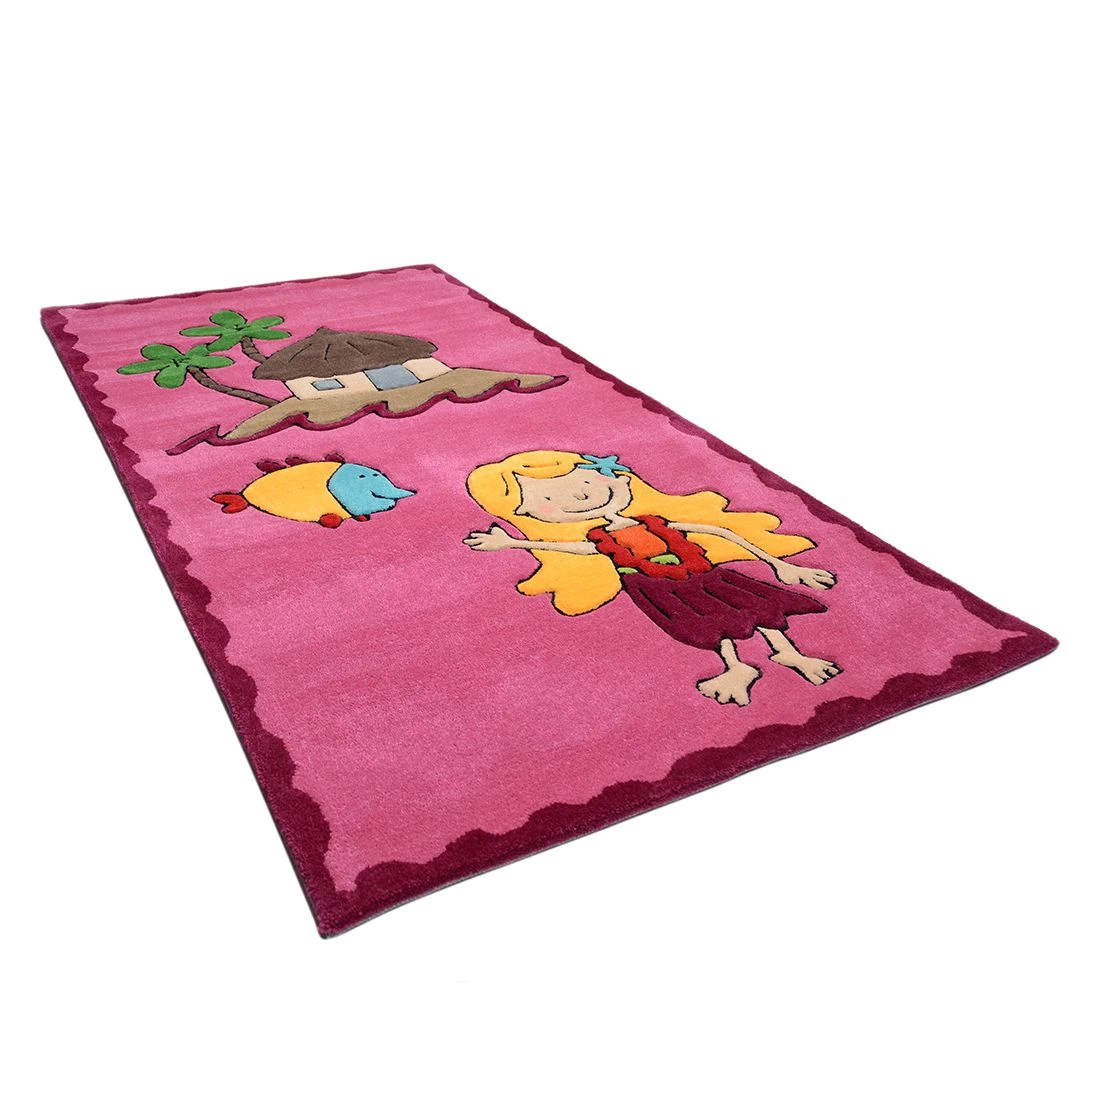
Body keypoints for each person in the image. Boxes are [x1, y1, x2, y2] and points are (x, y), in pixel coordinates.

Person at [464, 450, 841, 706]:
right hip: (658, 590)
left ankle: (791, 654)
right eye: (545, 502)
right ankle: (735, 666)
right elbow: (581, 550)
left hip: (702, 574)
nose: (578, 500)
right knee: (708, 624)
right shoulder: (601, 537)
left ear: (620, 482)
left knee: (753, 607)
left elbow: (718, 531)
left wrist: (781, 565)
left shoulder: (653, 521)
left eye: (586, 485)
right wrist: (514, 543)